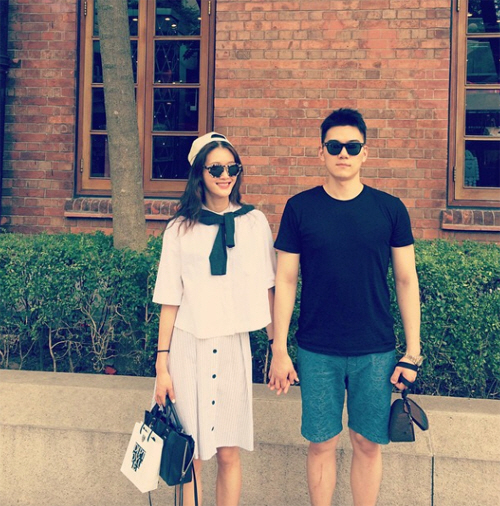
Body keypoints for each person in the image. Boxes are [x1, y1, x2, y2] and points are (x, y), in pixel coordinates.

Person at [269, 108, 421, 506]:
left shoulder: (390, 209)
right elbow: (286, 280)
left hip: (376, 349)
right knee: (321, 443)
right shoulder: (300, 208)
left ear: (365, 153)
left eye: (352, 146)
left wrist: (412, 352)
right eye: (334, 146)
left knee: (367, 443)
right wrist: (279, 349)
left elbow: (406, 280)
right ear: (321, 152)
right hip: (317, 349)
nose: (343, 153)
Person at [153, 132, 276, 506]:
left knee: (228, 450)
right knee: (189, 454)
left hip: (233, 346)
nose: (225, 176)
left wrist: (278, 347)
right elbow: (170, 298)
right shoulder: (179, 228)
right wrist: (161, 365)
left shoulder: (254, 223)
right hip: (188, 345)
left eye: (232, 168)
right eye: (216, 169)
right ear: (199, 173)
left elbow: (267, 288)